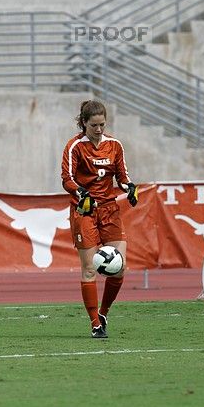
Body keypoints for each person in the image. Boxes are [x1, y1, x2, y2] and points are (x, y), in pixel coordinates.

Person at [61, 100, 138, 338]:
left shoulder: (114, 145)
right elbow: (67, 179)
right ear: (84, 123)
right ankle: (95, 324)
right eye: (94, 125)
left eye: (102, 124)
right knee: (88, 269)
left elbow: (122, 177)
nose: (98, 129)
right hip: (85, 211)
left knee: (120, 268)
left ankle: (104, 313)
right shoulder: (74, 147)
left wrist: (130, 187)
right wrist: (81, 193)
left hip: (109, 210)